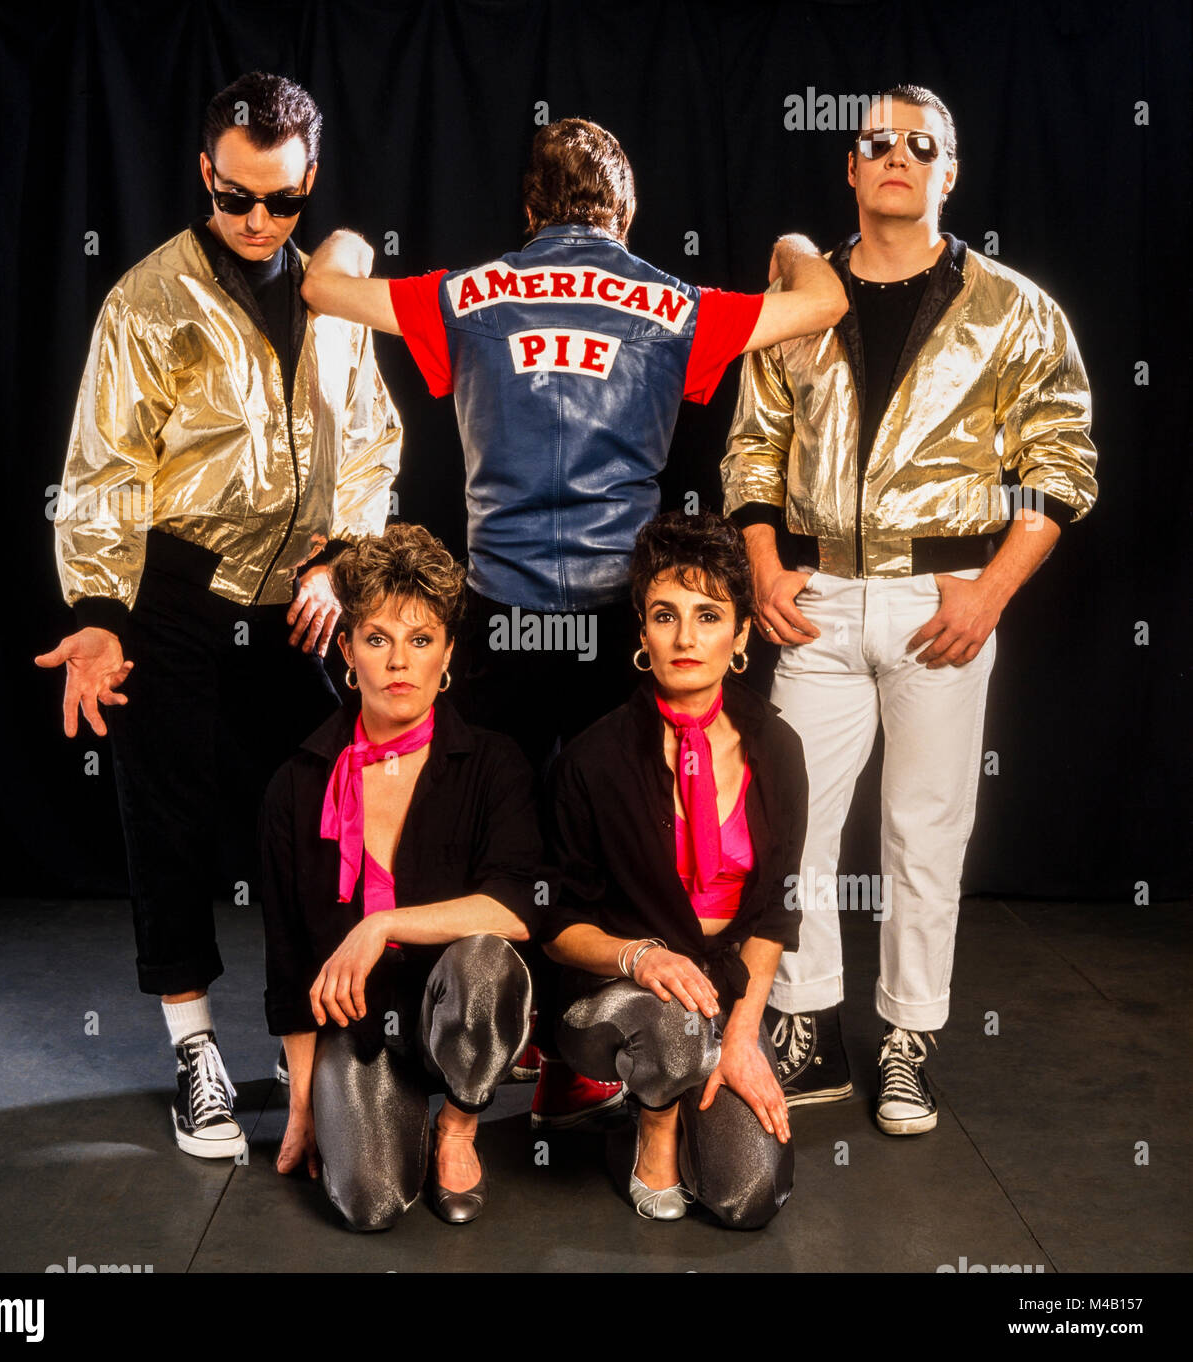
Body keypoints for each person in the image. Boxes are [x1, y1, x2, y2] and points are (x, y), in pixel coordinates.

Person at [298, 116, 844, 1130]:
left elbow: (323, 288)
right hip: (615, 619)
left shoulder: (467, 292)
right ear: (624, 213)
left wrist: (348, 246)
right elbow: (823, 299)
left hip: (499, 611)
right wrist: (788, 249)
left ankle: (465, 1043)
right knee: (608, 847)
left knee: (489, 840)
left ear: (530, 210)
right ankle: (582, 1053)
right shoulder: (667, 300)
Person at [35, 72, 402, 1161]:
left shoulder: (332, 301)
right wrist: (103, 616)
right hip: (179, 599)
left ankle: (329, 1045)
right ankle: (194, 1051)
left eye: (281, 202)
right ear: (206, 172)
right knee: (172, 833)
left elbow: (374, 442)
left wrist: (339, 561)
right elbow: (102, 472)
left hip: (300, 606)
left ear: (310, 184)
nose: (257, 221)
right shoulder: (147, 302)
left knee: (319, 828)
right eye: (237, 196)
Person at [721, 84, 1098, 1135]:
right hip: (821, 598)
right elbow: (751, 447)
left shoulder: (1013, 308)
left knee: (923, 836)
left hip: (944, 595)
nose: (896, 155)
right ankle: (807, 1028)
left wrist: (992, 588)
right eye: (875, 141)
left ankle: (907, 1042)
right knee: (791, 826)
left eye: (918, 144)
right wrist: (760, 563)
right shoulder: (801, 302)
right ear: (850, 166)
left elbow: (1060, 463)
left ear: (949, 171)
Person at [260, 524, 539, 1230]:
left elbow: (513, 909)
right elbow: (288, 953)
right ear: (348, 650)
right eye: (377, 638)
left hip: (453, 1014)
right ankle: (377, 1102)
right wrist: (301, 1106)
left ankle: (457, 1129)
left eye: (420, 640)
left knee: (486, 962)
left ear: (447, 655)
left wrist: (380, 923)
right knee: (369, 1204)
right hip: (355, 1028)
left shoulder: (493, 763)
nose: (398, 662)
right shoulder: (296, 782)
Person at [542, 512, 807, 1227]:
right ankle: (651, 1123)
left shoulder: (777, 750)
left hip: (725, 999)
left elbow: (779, 908)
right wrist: (638, 956)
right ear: (642, 630)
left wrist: (745, 1036)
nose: (686, 638)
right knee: (670, 1025)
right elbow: (557, 923)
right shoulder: (591, 759)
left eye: (709, 615)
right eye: (666, 615)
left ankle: (693, 1085)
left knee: (747, 1198)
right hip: (615, 997)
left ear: (742, 634)